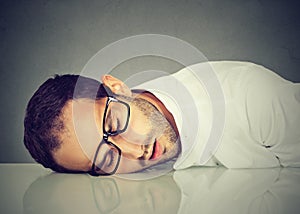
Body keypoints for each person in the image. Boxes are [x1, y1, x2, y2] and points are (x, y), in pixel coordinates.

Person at [23, 61, 300, 175]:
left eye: (113, 124)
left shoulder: (253, 100)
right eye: (106, 159)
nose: (135, 151)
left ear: (117, 88)